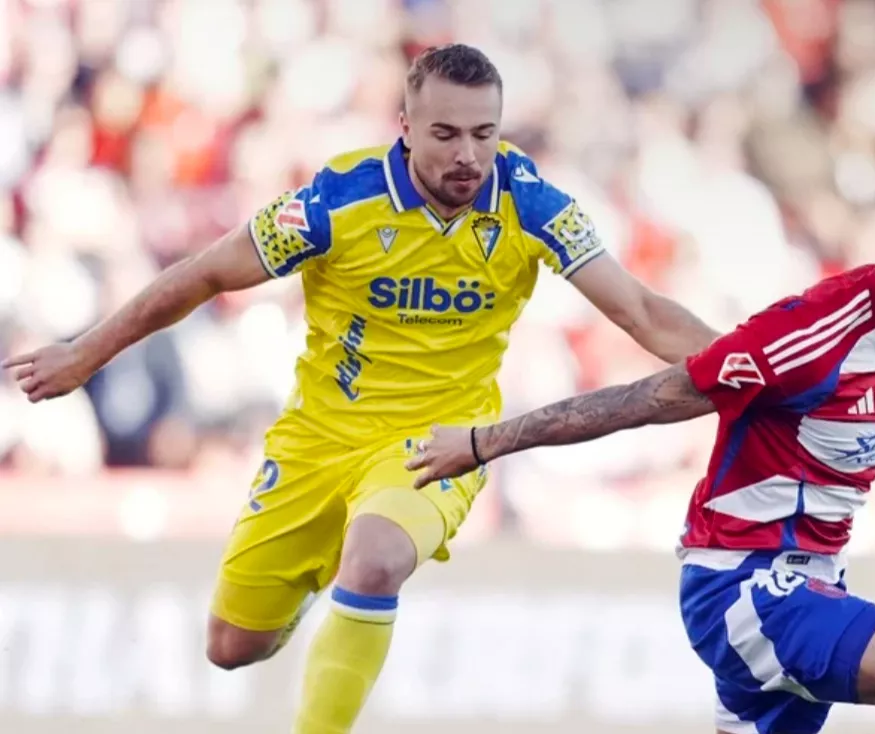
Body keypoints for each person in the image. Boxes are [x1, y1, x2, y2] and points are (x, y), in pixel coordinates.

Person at [2, 44, 718, 733]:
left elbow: (641, 311)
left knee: (375, 560)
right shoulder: (337, 201)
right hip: (319, 441)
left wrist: (755, 362)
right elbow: (206, 274)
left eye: (484, 133)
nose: (468, 156)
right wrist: (85, 354)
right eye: (445, 134)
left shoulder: (532, 205)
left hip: (440, 440)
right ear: (405, 128)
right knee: (231, 647)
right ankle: (326, 578)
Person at [407, 164, 875, 734]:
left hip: (811, 581)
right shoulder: (816, 335)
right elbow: (640, 401)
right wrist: (483, 443)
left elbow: (711, 352)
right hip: (748, 589)